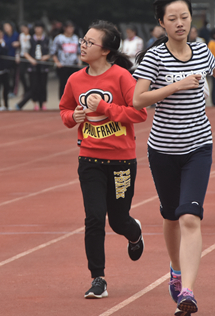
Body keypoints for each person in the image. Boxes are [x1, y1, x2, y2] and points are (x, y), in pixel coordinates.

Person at [132, 0, 215, 315]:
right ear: (161, 23)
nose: (179, 23)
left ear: (192, 18)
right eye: (172, 19)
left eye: (184, 17)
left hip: (198, 147)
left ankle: (187, 291)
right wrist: (175, 86)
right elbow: (138, 100)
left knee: (190, 216)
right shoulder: (154, 58)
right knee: (170, 215)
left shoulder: (202, 50)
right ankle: (175, 269)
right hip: (162, 150)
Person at [59, 20, 147, 300]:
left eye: (89, 42)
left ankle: (135, 234)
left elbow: (139, 114)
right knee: (94, 219)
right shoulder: (75, 80)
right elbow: (64, 111)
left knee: (118, 221)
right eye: (83, 41)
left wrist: (105, 108)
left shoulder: (122, 77)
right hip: (90, 160)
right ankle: (98, 278)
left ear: (106, 50)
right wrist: (74, 117)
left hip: (121, 162)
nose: (83, 46)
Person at [16, 22, 50, 111]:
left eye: (40, 28)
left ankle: (43, 103)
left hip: (43, 66)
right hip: (33, 66)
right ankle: (35, 103)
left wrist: (46, 57)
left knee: (43, 85)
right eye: (36, 28)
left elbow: (51, 51)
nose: (38, 30)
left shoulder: (46, 39)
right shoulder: (30, 40)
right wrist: (31, 60)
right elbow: (25, 52)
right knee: (34, 85)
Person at [51, 20, 81, 98]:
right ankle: (62, 100)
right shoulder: (59, 38)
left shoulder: (75, 38)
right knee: (63, 83)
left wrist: (79, 61)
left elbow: (78, 52)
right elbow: (53, 52)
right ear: (65, 28)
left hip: (73, 65)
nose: (71, 29)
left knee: (74, 84)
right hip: (62, 65)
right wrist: (57, 62)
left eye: (72, 27)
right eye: (69, 27)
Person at [2, 22, 20, 97]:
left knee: (14, 76)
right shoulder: (4, 36)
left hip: (14, 58)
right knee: (7, 75)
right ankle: (7, 90)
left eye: (7, 26)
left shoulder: (16, 35)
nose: (6, 28)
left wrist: (19, 44)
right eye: (4, 27)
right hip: (6, 58)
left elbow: (20, 46)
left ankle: (14, 91)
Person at [17, 24, 32, 97]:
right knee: (21, 73)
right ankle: (26, 89)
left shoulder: (31, 36)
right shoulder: (21, 36)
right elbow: (19, 47)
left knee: (30, 73)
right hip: (22, 55)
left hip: (29, 56)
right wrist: (17, 55)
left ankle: (30, 89)